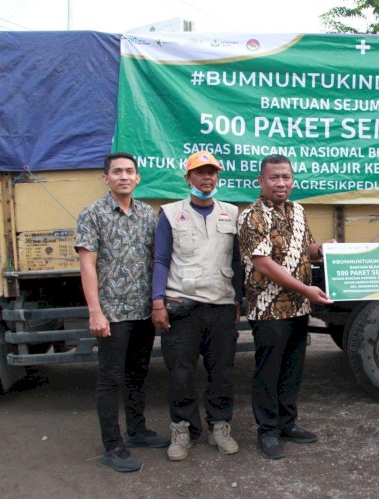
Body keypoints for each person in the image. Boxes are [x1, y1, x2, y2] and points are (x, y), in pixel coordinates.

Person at [76, 152, 169, 473]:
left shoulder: (148, 214)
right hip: (112, 313)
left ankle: (137, 430)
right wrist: (94, 311)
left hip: (143, 311)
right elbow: (87, 265)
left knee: (137, 373)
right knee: (110, 380)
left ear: (138, 177)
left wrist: (160, 303)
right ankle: (113, 446)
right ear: (106, 178)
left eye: (130, 171)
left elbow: (159, 261)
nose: (124, 176)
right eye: (117, 172)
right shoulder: (93, 214)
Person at [237, 154, 334, 460]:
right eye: (274, 178)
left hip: (298, 307)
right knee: (269, 370)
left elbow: (306, 248)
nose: (281, 183)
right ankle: (267, 431)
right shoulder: (251, 216)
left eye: (286, 177)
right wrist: (307, 289)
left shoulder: (298, 210)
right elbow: (263, 264)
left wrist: (323, 250)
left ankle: (287, 424)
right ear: (261, 182)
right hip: (268, 309)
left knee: (292, 369)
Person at [151, 150, 243, 461]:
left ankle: (220, 425)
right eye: (200, 173)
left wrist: (238, 299)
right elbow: (161, 260)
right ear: (187, 178)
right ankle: (182, 430)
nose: (207, 178)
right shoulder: (170, 213)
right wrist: (158, 302)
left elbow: (238, 262)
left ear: (218, 177)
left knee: (222, 372)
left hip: (220, 307)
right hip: (182, 307)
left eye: (212, 173)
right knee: (180, 373)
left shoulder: (231, 213)